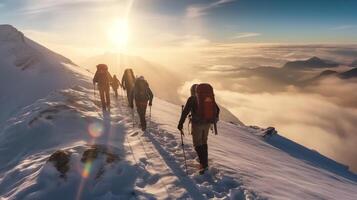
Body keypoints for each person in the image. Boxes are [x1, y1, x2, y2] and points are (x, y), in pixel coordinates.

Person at [177, 83, 220, 174]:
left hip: (197, 124)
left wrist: (180, 124)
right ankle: (205, 163)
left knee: (197, 144)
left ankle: (203, 165)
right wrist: (213, 119)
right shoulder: (208, 97)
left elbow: (185, 112)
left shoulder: (192, 98)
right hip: (207, 123)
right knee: (204, 142)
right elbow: (217, 109)